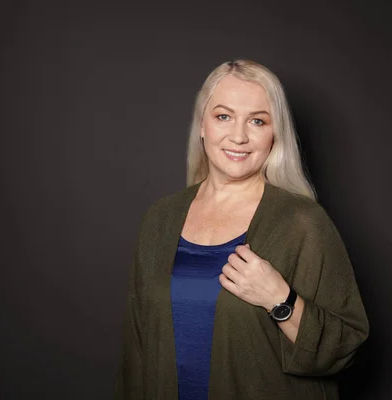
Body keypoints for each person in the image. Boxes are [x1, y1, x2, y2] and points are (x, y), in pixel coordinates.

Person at [114, 59, 369, 400]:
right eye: (223, 116)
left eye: (257, 121)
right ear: (202, 124)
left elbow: (345, 345)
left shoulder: (302, 223)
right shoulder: (160, 218)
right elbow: (137, 349)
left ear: (274, 134)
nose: (238, 136)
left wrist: (280, 299)